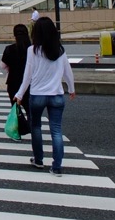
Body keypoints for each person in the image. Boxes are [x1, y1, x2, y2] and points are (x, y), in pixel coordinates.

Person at [13, 16, 76, 176]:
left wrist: (19, 94)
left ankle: (39, 159)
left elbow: (27, 76)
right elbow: (68, 72)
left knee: (36, 127)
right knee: (56, 130)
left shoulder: (32, 50)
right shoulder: (60, 50)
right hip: (56, 95)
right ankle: (57, 166)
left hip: (37, 95)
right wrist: (71, 88)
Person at [0, 24, 32, 110]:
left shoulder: (9, 49)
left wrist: (9, 68)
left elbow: (2, 65)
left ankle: (20, 119)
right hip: (30, 83)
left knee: (16, 111)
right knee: (29, 110)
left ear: (14, 35)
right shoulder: (32, 49)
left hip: (13, 82)